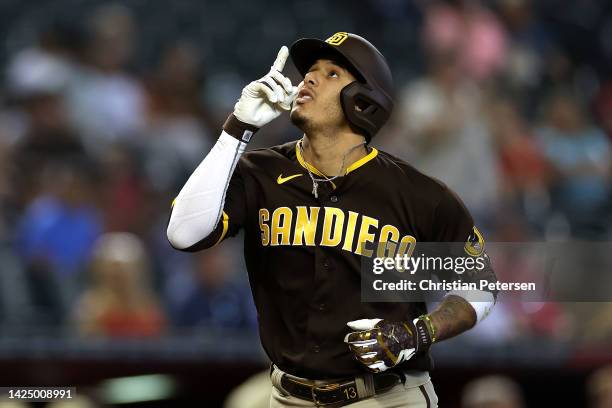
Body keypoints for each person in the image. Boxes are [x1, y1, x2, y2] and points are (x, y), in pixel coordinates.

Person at [168, 32, 498, 407]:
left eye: (331, 74)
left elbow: (480, 286)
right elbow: (184, 233)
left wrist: (416, 333)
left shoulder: (418, 194)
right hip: (286, 396)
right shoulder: (259, 171)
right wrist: (237, 128)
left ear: (364, 102)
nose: (308, 78)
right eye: (310, 71)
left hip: (387, 397)